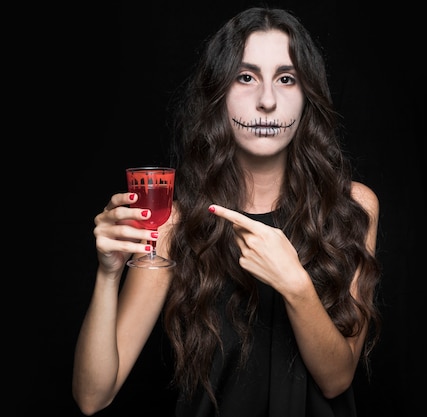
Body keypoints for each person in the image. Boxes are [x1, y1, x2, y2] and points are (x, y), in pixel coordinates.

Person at [73, 6, 381, 417]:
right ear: (219, 92)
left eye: (286, 79)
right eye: (246, 77)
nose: (267, 101)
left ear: (307, 96)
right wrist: (108, 274)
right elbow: (93, 397)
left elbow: (337, 378)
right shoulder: (175, 224)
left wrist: (295, 285)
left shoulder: (353, 207)